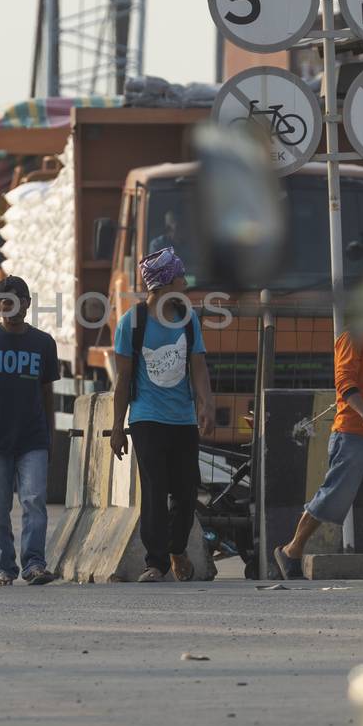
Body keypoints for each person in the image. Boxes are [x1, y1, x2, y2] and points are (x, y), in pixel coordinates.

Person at [109, 248, 215, 583]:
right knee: (154, 488)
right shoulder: (132, 323)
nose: (186, 284)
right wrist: (117, 427)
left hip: (182, 419)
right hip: (146, 417)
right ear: (166, 283)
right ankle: (154, 563)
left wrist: (206, 404)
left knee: (186, 492)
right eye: (181, 277)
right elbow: (123, 379)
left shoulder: (188, 319)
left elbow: (198, 365)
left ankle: (177, 548)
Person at [274, 319, 363, 581]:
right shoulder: (353, 338)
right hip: (353, 432)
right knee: (334, 495)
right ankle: (292, 550)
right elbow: (346, 384)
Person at [0, 275, 59, 586]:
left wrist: (50, 434)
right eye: (3, 301)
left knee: (33, 500)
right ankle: (5, 567)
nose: (9, 307)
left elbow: (47, 394)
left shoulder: (43, 343)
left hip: (32, 438)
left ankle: (34, 564)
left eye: (15, 301)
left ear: (28, 304)